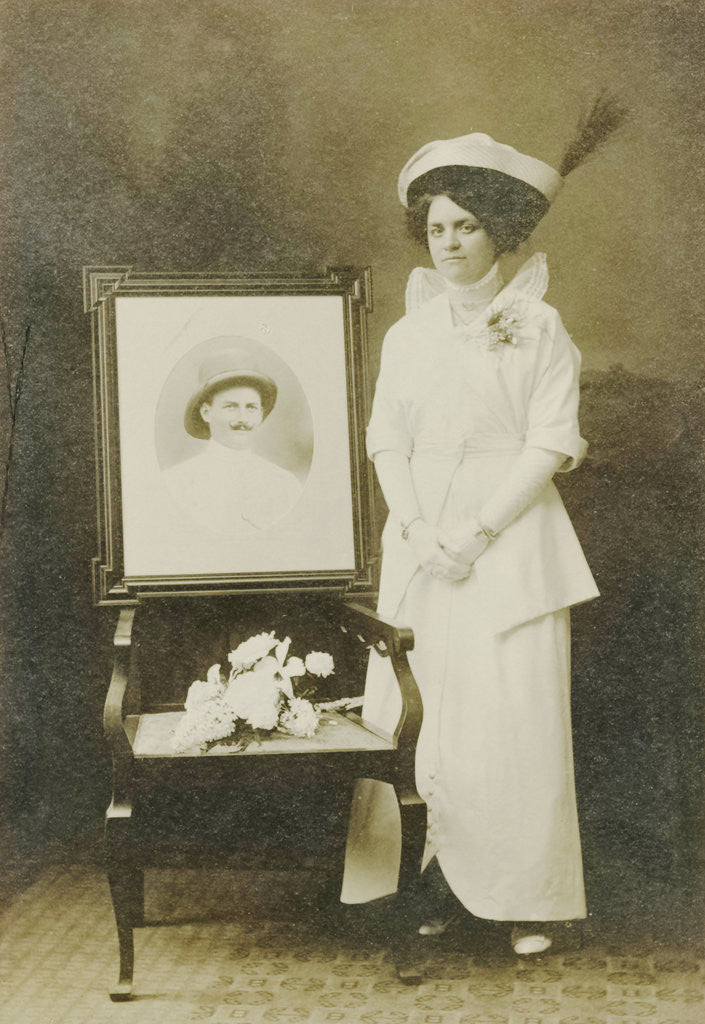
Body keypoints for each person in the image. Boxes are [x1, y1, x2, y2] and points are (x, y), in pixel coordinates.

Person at [343, 101, 624, 955]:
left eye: (466, 226)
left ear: (499, 233)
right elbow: (384, 438)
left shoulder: (538, 325)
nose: (449, 242)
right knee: (424, 717)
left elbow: (549, 441)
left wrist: (476, 532)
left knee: (511, 719)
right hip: (420, 544)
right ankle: (424, 885)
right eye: (436, 228)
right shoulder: (408, 334)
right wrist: (418, 529)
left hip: (509, 542)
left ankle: (522, 898)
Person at [161, 349, 302, 533]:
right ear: (206, 413)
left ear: (260, 414)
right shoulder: (176, 482)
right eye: (231, 407)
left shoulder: (285, 485)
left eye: (251, 408)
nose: (242, 419)